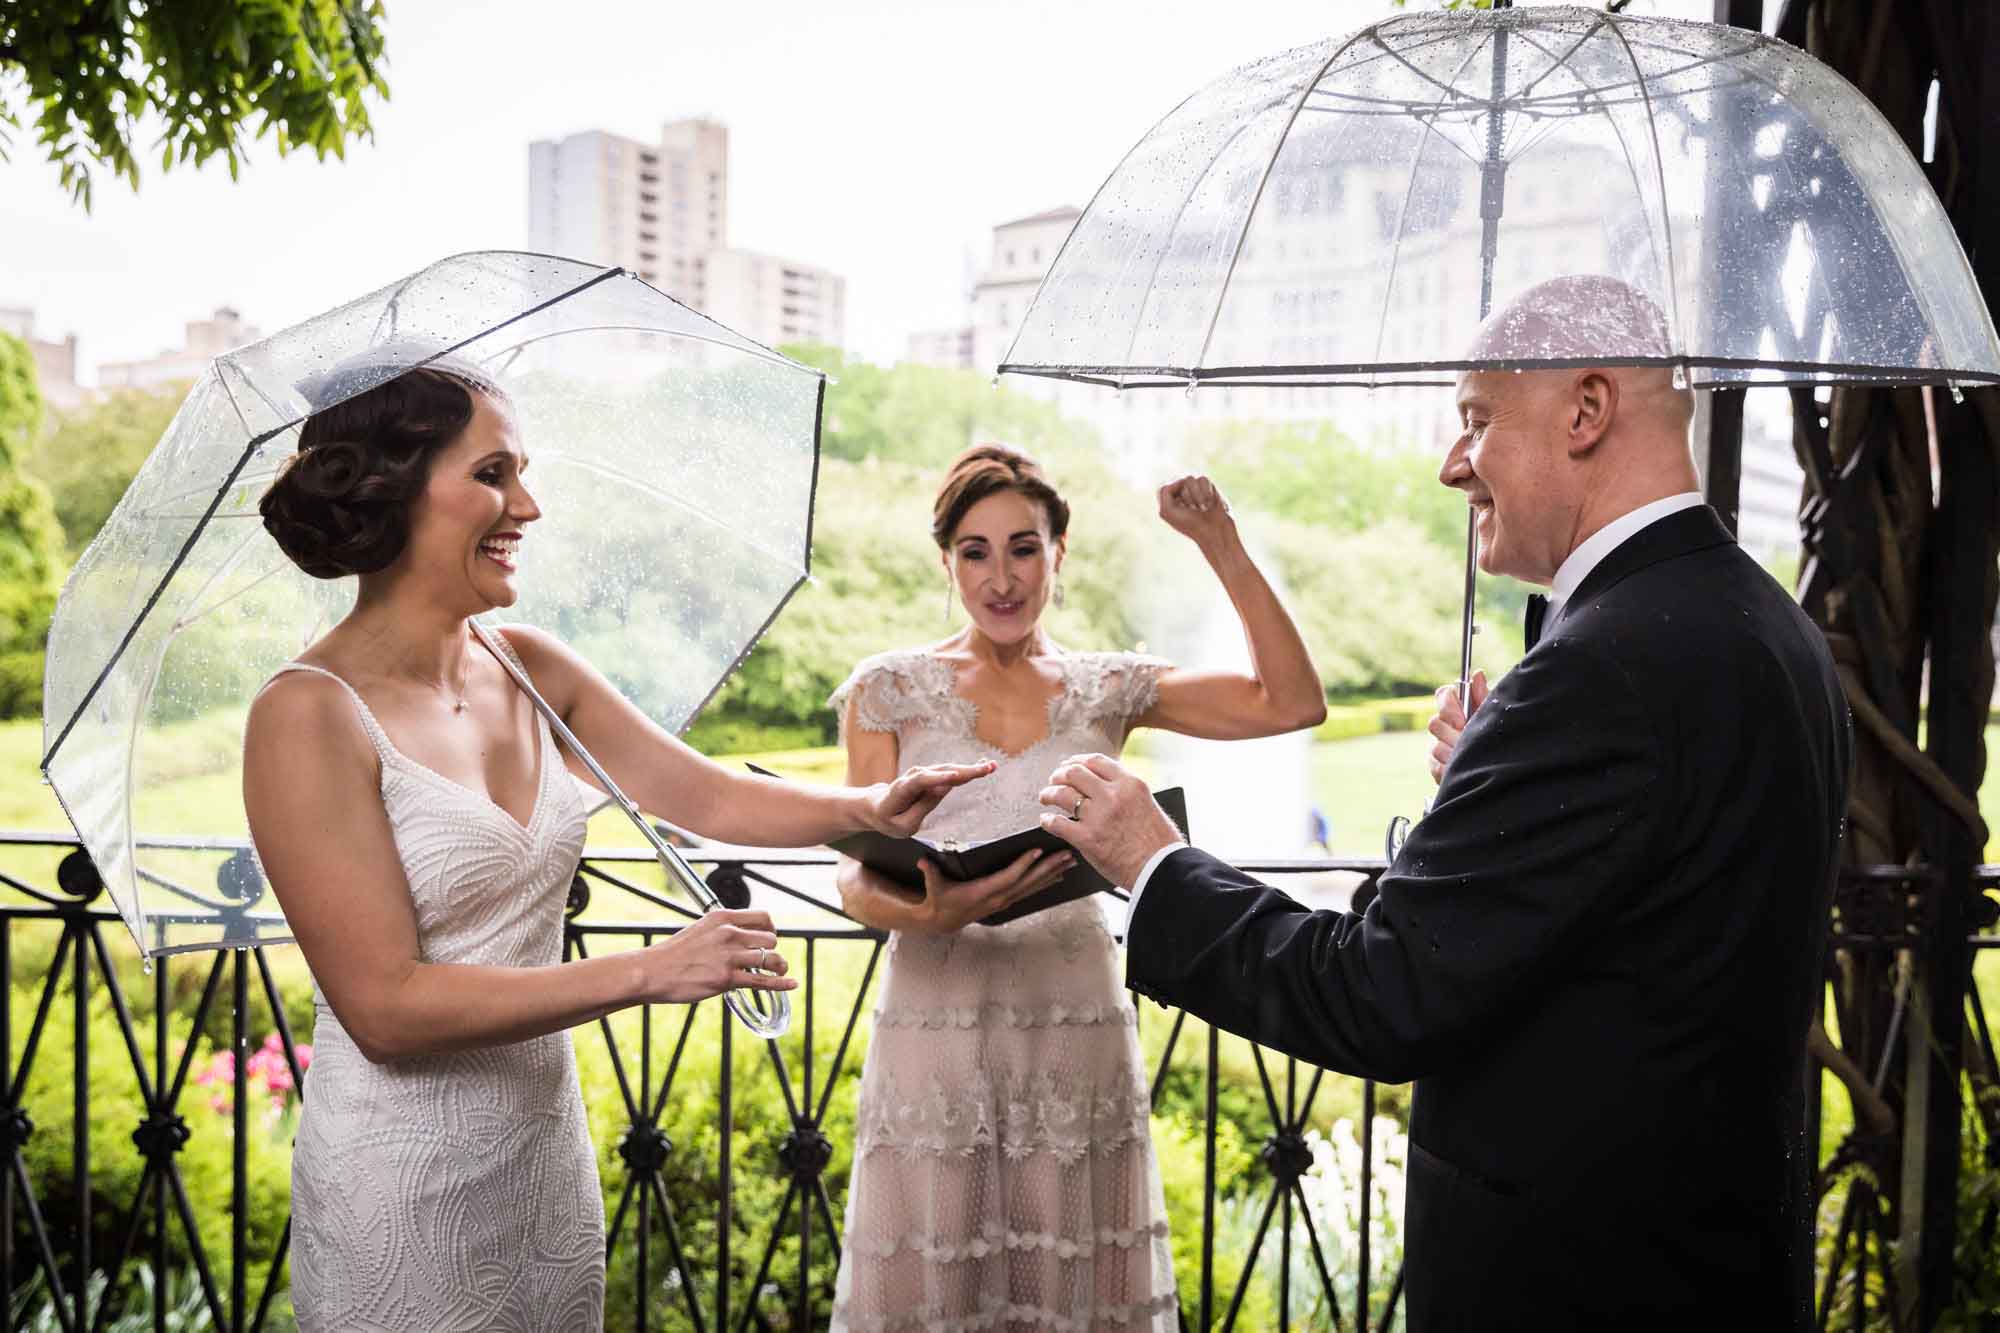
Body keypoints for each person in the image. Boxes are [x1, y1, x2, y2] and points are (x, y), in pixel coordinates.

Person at [1037, 277, 1852, 1331]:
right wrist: (1496, 785)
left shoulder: (1599, 671)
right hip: (1715, 1260)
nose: (1449, 463)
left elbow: (1380, 993)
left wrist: (1150, 863)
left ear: (1585, 411)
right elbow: (1655, 898)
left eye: (1473, 419)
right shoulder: (1764, 627)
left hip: (1578, 1279)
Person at [243, 361, 989, 1331]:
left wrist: (873, 805)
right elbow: (385, 1007)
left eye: (524, 472)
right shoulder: (306, 714)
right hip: (399, 1186)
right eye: (494, 473)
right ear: (391, 487)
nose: (529, 505)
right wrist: (653, 970)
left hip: (542, 1165)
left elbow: (705, 793)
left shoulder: (528, 664)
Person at [826, 444, 1325, 1332]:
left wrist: (1222, 543)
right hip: (935, 1015)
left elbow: (1290, 701)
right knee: (934, 1279)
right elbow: (856, 875)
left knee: (1071, 1275)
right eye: (975, 551)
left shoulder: (1110, 688)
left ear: (1060, 551)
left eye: (1024, 546)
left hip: (1072, 1017)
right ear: (947, 562)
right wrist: (927, 909)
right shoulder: (887, 690)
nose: (1001, 576)